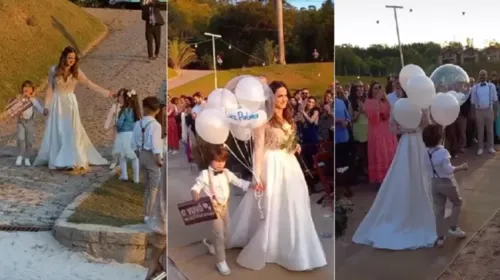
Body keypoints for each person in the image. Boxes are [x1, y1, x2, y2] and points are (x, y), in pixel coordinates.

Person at [229, 81, 327, 271]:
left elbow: (288, 142)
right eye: (279, 96)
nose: (283, 99)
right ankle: (269, 244)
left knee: (293, 202)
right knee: (271, 203)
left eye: (285, 95)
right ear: (271, 97)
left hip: (289, 165)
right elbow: (258, 149)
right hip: (271, 164)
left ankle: (293, 243)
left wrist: (295, 146)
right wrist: (256, 176)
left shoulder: (288, 118)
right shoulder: (262, 119)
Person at [352, 102, 437, 250]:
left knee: (421, 172)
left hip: (417, 141)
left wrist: (417, 125)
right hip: (408, 141)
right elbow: (392, 128)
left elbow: (427, 125)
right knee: (404, 173)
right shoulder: (400, 105)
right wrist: (406, 129)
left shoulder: (418, 104)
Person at [34, 46, 113, 170]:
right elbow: (50, 89)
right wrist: (46, 105)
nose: (71, 60)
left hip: (70, 103)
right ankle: (58, 159)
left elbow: (89, 84)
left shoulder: (76, 72)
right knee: (59, 130)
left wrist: (106, 92)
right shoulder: (53, 70)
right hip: (57, 103)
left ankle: (70, 160)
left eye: (74, 58)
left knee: (70, 131)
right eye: (69, 57)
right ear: (64, 57)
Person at [191, 146, 262, 275]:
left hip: (224, 207)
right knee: (219, 234)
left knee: (226, 231)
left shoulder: (227, 172)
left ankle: (212, 245)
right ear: (210, 160)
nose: (220, 164)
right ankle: (220, 261)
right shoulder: (205, 174)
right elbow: (197, 185)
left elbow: (238, 182)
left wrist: (252, 185)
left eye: (222, 161)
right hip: (213, 209)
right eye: (217, 161)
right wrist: (195, 193)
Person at [423, 124, 468, 247]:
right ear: (439, 138)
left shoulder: (425, 152)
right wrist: (461, 167)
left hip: (434, 182)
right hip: (446, 182)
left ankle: (440, 238)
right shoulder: (443, 152)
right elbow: (448, 170)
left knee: (438, 210)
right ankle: (453, 227)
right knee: (458, 202)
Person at [133, 96, 163, 222]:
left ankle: (145, 213)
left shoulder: (137, 124)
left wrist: (139, 155)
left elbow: (133, 143)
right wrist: (158, 159)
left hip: (141, 154)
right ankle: (150, 214)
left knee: (147, 186)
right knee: (154, 186)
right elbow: (156, 144)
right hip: (151, 155)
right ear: (157, 111)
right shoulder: (155, 125)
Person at [364, 81, 397, 185]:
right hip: (376, 132)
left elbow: (390, 114)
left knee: (390, 152)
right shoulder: (368, 102)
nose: (378, 90)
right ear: (371, 90)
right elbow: (374, 118)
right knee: (380, 153)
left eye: (379, 88)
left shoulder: (385, 102)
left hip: (387, 132)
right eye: (375, 88)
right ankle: (380, 178)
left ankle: (392, 176)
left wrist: (385, 99)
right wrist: (377, 100)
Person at [11, 81, 44, 167]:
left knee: (29, 141)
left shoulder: (33, 100)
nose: (27, 89)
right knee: (21, 139)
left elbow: (40, 109)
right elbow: (13, 109)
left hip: (29, 122)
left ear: (32, 90)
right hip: (21, 122)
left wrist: (45, 111)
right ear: (22, 89)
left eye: (29, 87)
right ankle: (20, 156)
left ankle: (27, 158)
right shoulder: (20, 99)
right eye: (25, 87)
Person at [143, 155, 166, 280]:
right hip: (163, 220)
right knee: (157, 253)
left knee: (157, 254)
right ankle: (153, 273)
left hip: (163, 218)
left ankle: (156, 271)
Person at [113, 88, 141, 182]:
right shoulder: (136, 111)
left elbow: (120, 123)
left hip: (124, 135)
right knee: (135, 157)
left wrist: (117, 126)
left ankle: (124, 175)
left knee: (122, 156)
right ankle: (136, 178)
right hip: (134, 135)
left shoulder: (125, 110)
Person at [471, 69, 498, 155]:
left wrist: (495, 112)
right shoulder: (475, 87)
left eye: (484, 74)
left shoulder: (492, 86)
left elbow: (495, 100)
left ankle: (490, 147)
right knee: (480, 130)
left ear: (487, 76)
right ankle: (480, 148)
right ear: (479, 76)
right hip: (478, 111)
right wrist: (473, 114)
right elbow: (472, 102)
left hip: (489, 110)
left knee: (490, 130)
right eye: (481, 74)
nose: (482, 76)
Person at [104, 92, 123, 170]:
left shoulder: (128, 106)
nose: (121, 98)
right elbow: (110, 115)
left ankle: (122, 161)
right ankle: (114, 161)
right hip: (116, 127)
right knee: (116, 144)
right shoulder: (115, 106)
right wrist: (107, 125)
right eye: (120, 96)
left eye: (123, 96)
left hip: (125, 128)